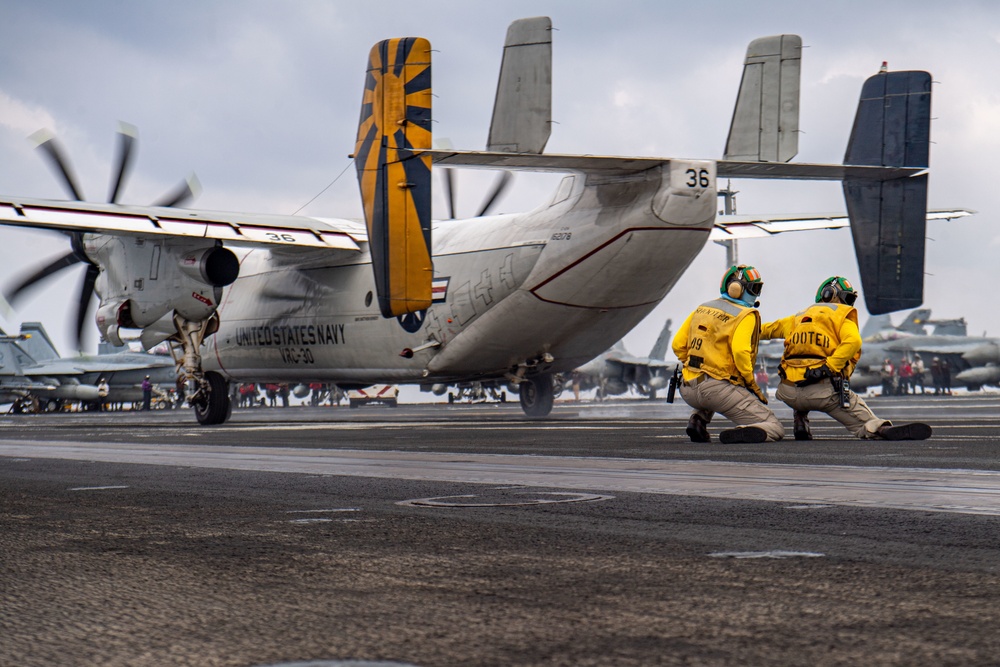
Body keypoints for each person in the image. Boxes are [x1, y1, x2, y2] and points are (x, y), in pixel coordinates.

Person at [761, 276, 931, 441]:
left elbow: (761, 331)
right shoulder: (842, 318)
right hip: (824, 394)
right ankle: (881, 429)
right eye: (847, 298)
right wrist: (829, 366)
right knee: (865, 422)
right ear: (830, 295)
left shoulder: (795, 319)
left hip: (788, 393)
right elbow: (854, 341)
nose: (848, 303)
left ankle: (800, 421)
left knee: (800, 377)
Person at [671, 265, 783, 444]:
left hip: (687, 389)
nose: (756, 294)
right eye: (754, 288)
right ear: (736, 289)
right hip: (717, 392)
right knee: (773, 426)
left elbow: (677, 344)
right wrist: (750, 382)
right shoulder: (746, 315)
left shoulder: (702, 309)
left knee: (715, 388)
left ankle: (698, 420)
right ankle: (742, 432)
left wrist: (695, 366)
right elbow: (740, 351)